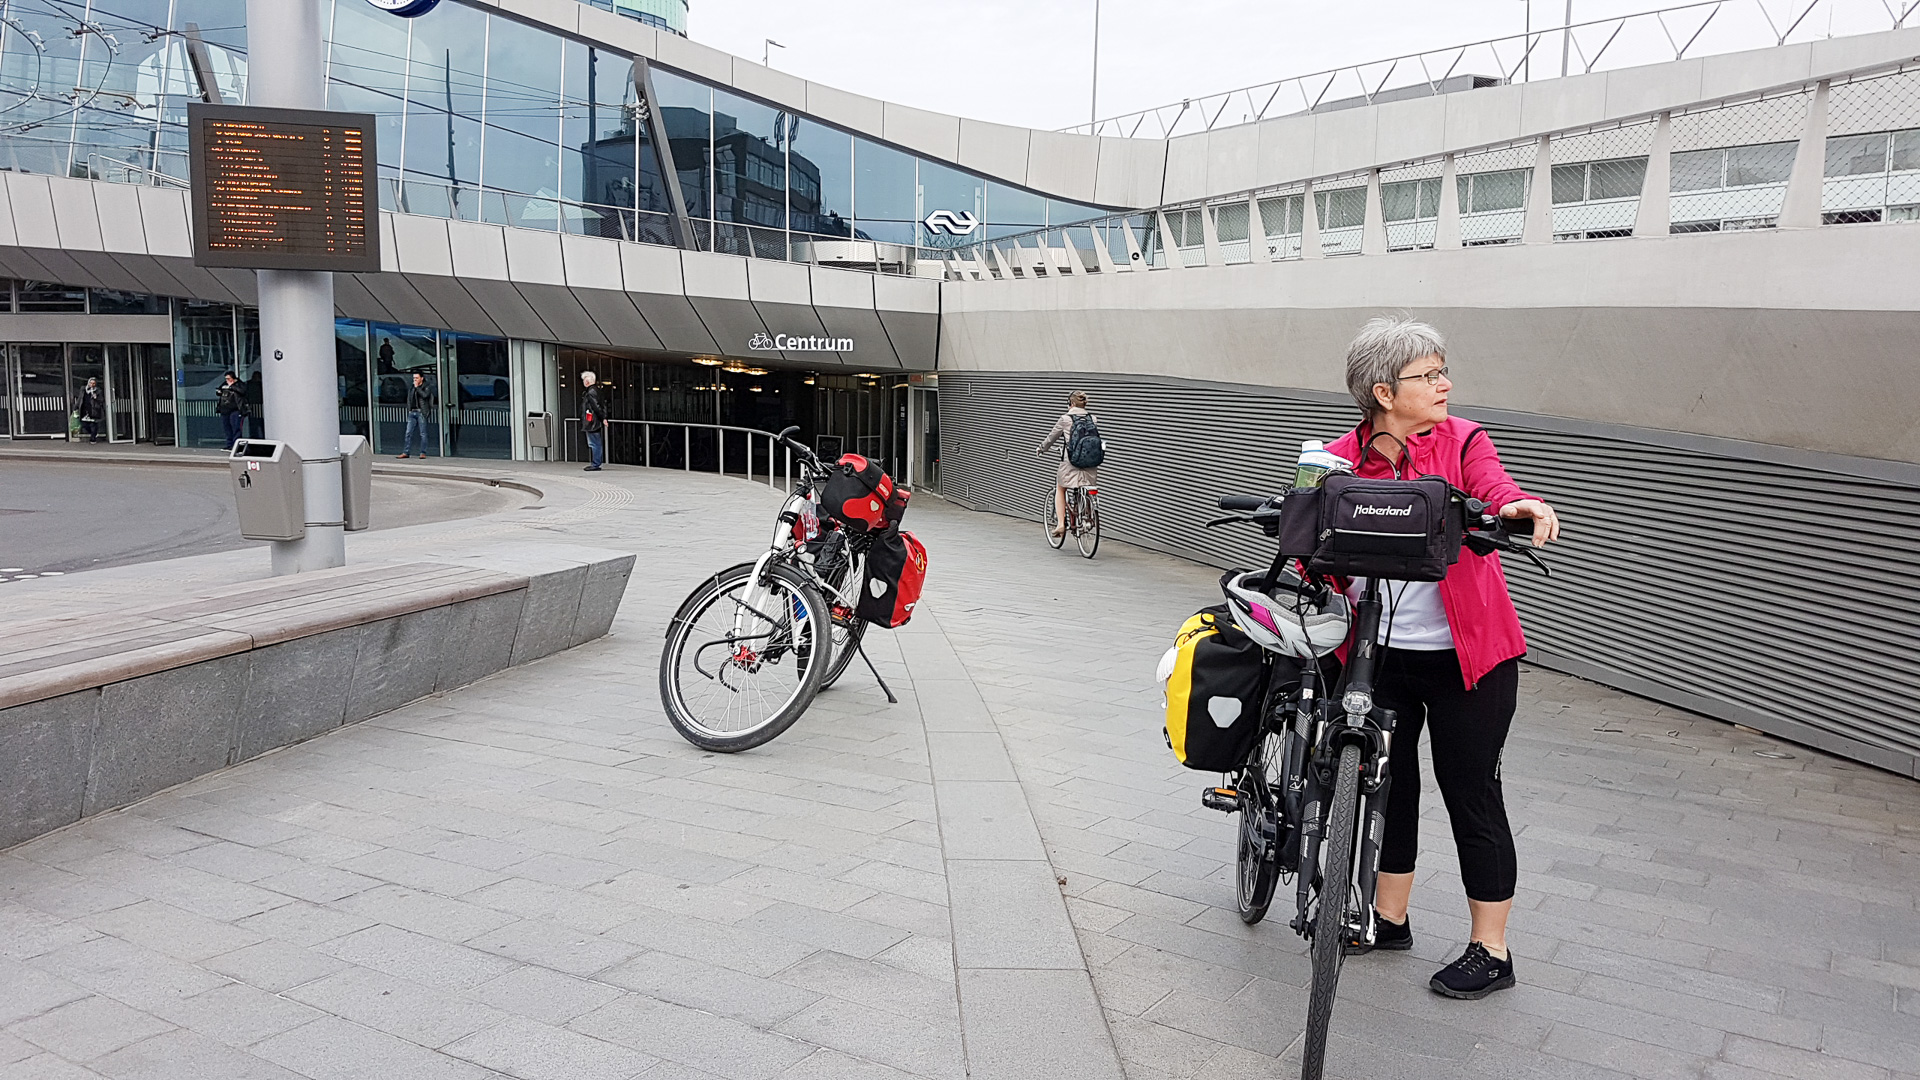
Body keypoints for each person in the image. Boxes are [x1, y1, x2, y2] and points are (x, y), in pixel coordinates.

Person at [1326, 316, 1560, 1000]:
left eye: (1441, 370)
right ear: (1382, 391)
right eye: (1427, 376)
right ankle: (1390, 917)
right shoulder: (1340, 458)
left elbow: (1494, 486)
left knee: (1471, 791)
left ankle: (1492, 948)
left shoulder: (1462, 442)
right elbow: (1316, 541)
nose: (1444, 384)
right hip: (1377, 657)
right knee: (1387, 789)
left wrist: (1516, 506)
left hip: (1472, 660)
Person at [1036, 390, 1099, 538]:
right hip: (1091, 462)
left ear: (1070, 404)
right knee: (1087, 487)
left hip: (1070, 462)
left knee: (1061, 488)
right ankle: (1089, 518)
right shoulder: (1093, 419)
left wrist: (1041, 448)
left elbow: (1051, 438)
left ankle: (1060, 525)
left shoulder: (1065, 419)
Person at [398, 372, 433, 459]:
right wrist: (409, 409)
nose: (415, 380)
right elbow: (409, 398)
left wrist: (417, 388)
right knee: (408, 433)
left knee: (423, 433)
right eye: (414, 378)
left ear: (422, 378)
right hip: (412, 412)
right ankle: (406, 452)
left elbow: (425, 396)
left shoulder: (426, 387)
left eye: (417, 378)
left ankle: (423, 452)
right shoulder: (412, 388)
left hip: (421, 412)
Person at [580, 370, 605, 471]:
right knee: (595, 442)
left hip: (592, 421)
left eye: (584, 380)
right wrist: (604, 417)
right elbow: (602, 405)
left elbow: (596, 406)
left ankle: (595, 463)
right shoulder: (597, 390)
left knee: (594, 443)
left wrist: (602, 417)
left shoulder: (590, 392)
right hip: (595, 420)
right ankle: (596, 463)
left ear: (587, 381)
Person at [215, 373, 246, 450]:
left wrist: (232, 386)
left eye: (229, 378)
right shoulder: (224, 384)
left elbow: (242, 391)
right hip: (225, 409)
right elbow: (219, 391)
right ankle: (229, 444)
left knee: (236, 428)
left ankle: (236, 445)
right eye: (226, 378)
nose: (227, 380)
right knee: (227, 428)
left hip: (235, 409)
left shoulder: (239, 384)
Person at [77, 377, 105, 443]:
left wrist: (96, 397)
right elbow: (80, 398)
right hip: (84, 409)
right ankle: (94, 433)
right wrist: (76, 407)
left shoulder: (98, 391)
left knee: (93, 424)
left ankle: (93, 438)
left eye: (94, 383)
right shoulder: (83, 389)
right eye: (91, 383)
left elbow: (101, 400)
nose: (92, 385)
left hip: (93, 409)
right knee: (84, 424)